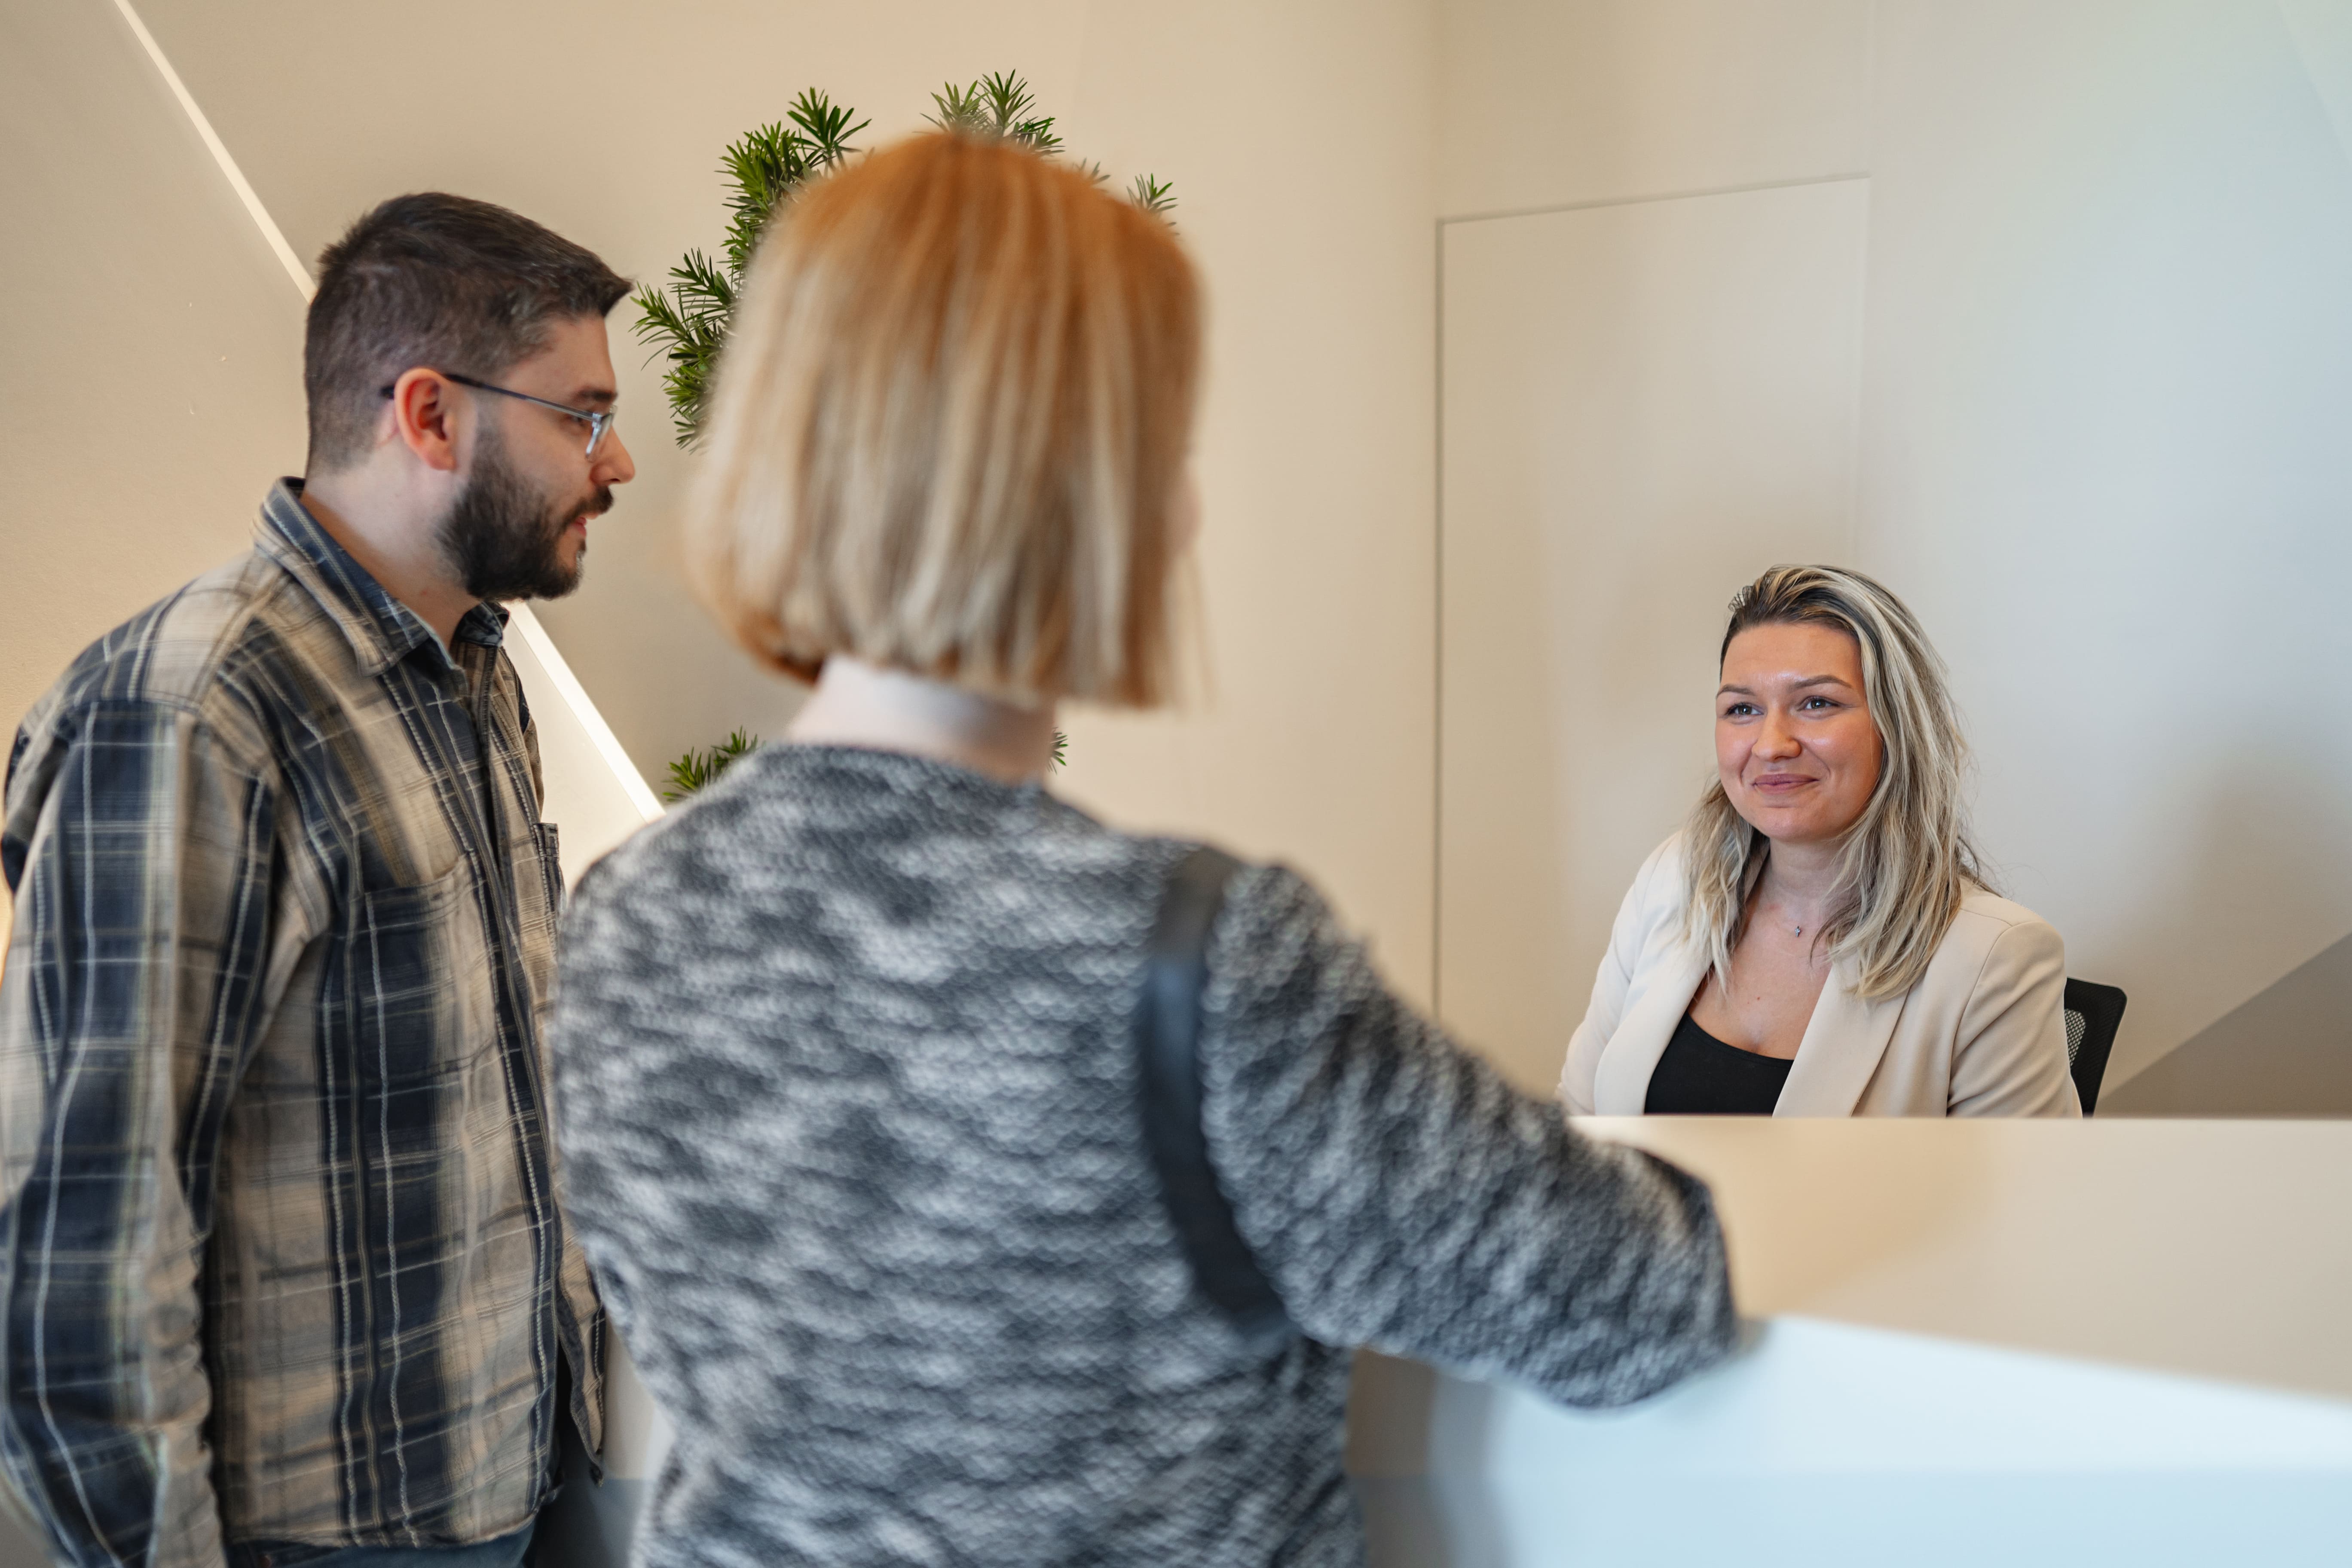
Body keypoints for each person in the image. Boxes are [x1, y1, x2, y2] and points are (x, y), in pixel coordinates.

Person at [549, 130, 1738, 1568]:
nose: (1180, 506)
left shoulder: (621, 917)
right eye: (1160, 447)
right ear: (1081, 494)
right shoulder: (1194, 960)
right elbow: (1629, 1305)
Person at [0, 193, 636, 1567]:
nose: (618, 459)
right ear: (430, 415)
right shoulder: (186, 716)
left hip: (523, 1468)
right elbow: (77, 1268)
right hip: (338, 1534)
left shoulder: (477, 668)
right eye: (581, 416)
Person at [1560, 565, 2080, 1119]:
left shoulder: (1995, 959)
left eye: (1816, 704)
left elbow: (2024, 1201)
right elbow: (1576, 1119)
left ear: (1896, 726)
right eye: (1742, 709)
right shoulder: (1673, 877)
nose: (1771, 744)